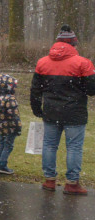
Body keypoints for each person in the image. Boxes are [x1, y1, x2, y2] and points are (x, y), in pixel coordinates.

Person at [30, 25, 95, 195]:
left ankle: (49, 180)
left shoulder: (42, 62)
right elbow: (92, 90)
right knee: (74, 147)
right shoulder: (83, 63)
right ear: (73, 44)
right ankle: (72, 183)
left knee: (49, 145)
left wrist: (37, 108)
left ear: (57, 43)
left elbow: (35, 89)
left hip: (51, 111)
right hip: (74, 112)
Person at [0, 74, 21, 176]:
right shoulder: (10, 99)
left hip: (1, 126)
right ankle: (2, 164)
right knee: (8, 145)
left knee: (2, 143)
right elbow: (15, 115)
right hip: (10, 127)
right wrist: (18, 127)